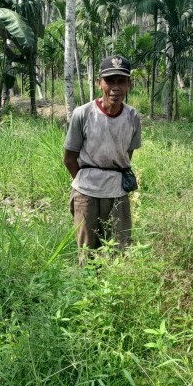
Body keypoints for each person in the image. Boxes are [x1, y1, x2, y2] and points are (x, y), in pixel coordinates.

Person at [63, 55, 142, 262]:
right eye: (110, 81)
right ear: (99, 83)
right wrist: (84, 184)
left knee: (119, 251)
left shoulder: (133, 117)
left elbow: (126, 155)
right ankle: (88, 284)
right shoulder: (83, 114)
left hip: (117, 192)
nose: (116, 88)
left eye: (121, 81)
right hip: (86, 192)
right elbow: (69, 159)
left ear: (129, 85)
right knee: (87, 253)